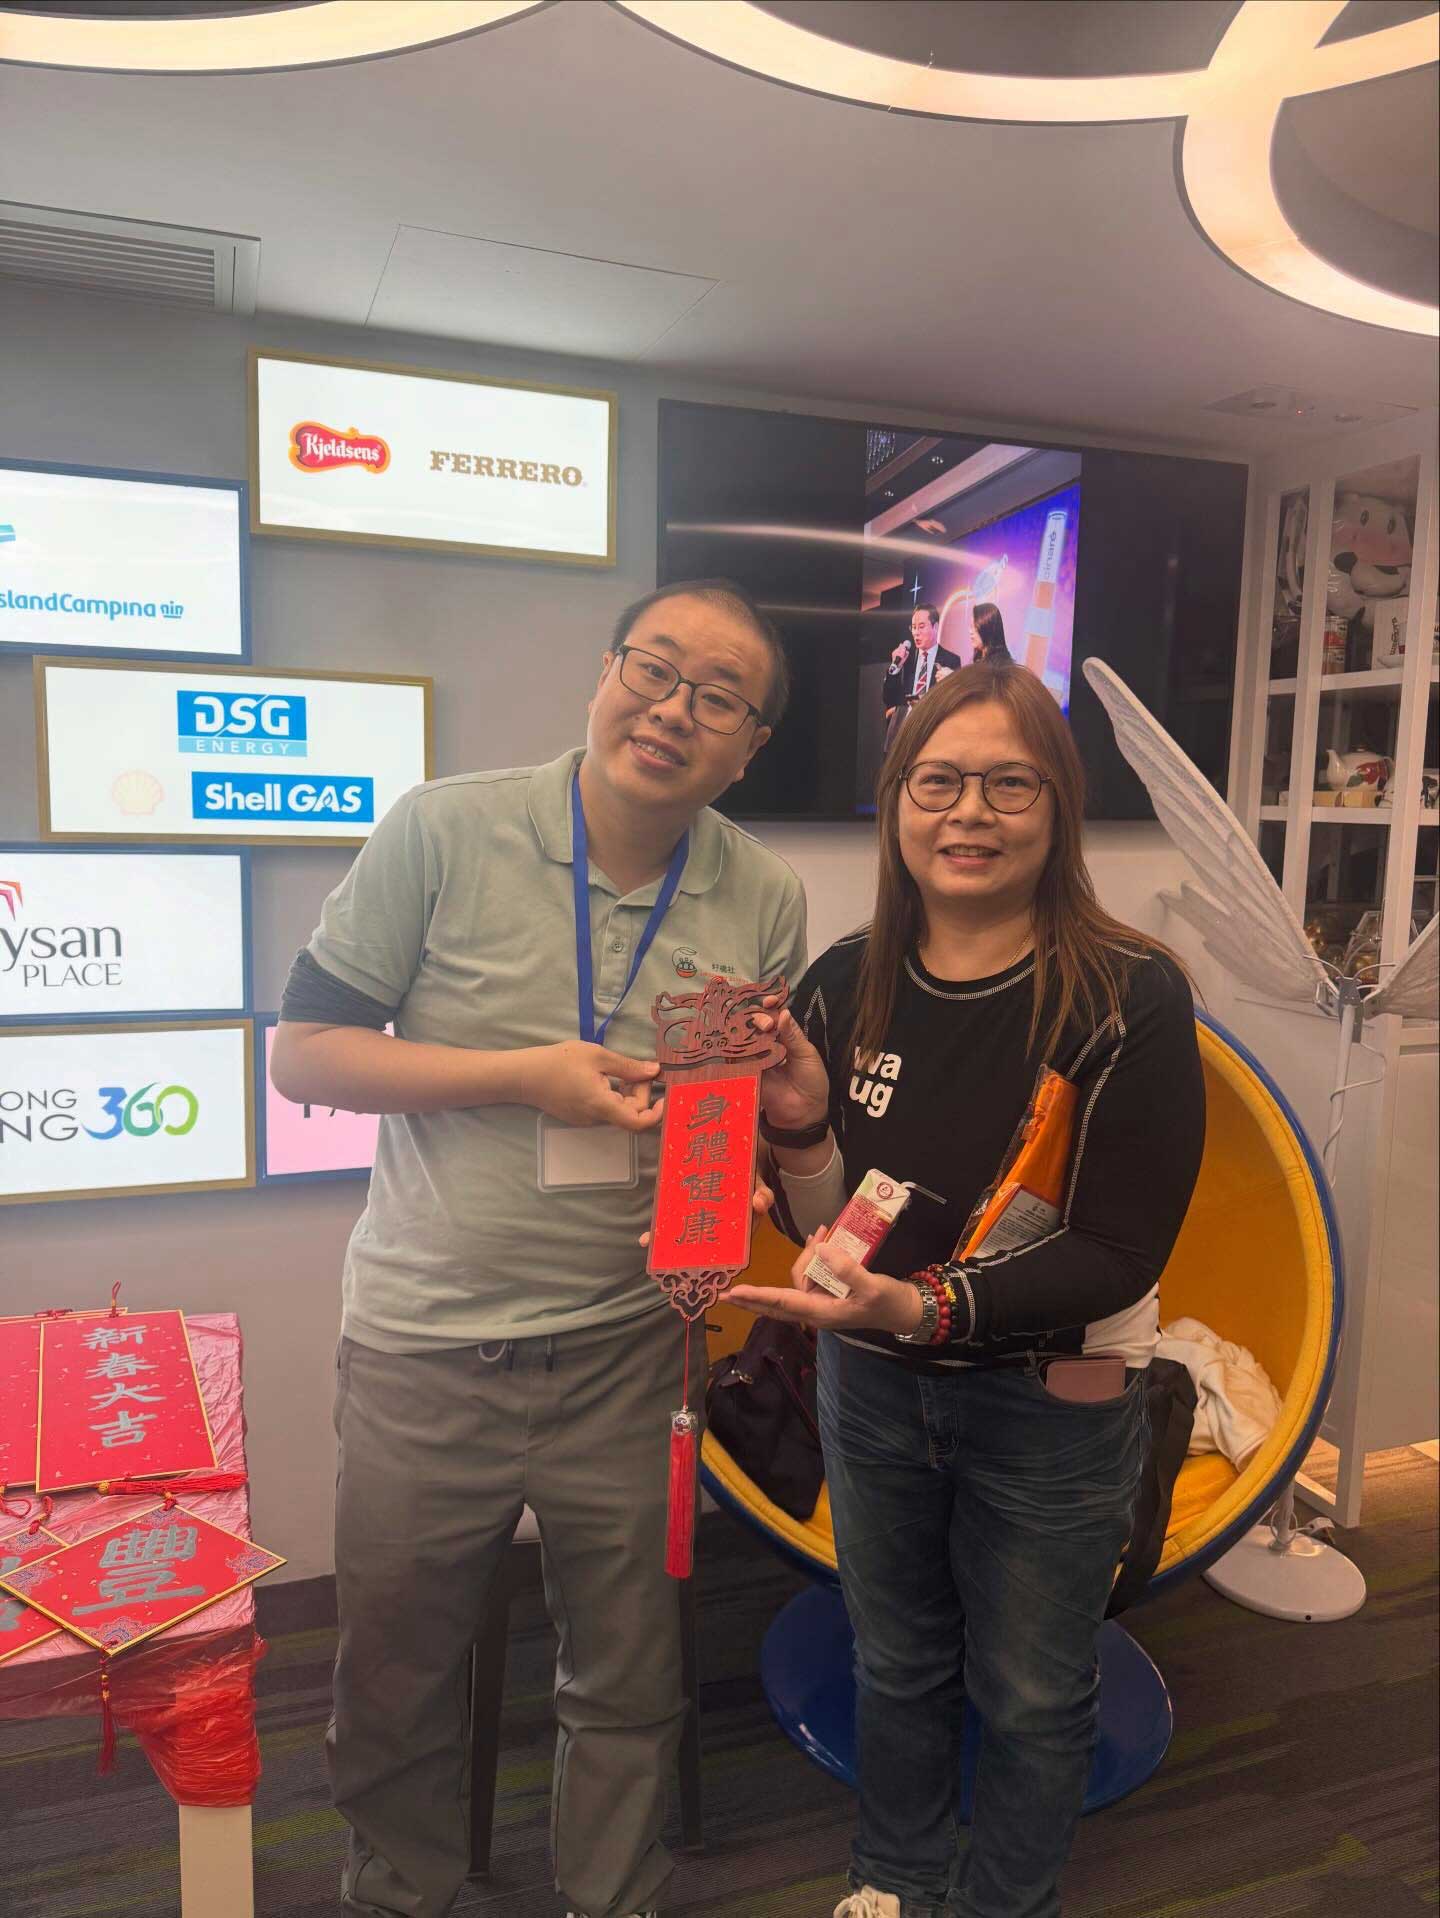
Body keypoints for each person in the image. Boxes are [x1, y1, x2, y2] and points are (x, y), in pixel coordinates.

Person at [271, 578, 807, 1918]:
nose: (671, 710)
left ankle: (611, 1897)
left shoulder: (764, 893)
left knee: (630, 1675)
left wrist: (740, 1154)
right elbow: (305, 1054)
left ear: (750, 746)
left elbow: (729, 1111)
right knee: (393, 1676)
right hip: (425, 1344)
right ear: (607, 673)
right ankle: (397, 1893)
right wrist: (526, 1075)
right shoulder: (442, 828)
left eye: (718, 698)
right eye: (654, 669)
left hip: (633, 1351)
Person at [731, 661, 1205, 1918]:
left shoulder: (1129, 993)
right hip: (874, 1390)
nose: (970, 812)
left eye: (1010, 783)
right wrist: (801, 1131)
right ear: (898, 801)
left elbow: (1120, 1250)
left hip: (1056, 1398)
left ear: (1059, 807)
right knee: (895, 1657)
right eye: (938, 781)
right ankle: (892, 1875)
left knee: (1035, 1690)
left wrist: (921, 1308)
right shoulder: (844, 980)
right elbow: (833, 1236)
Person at [882, 603, 963, 747]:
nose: (916, 633)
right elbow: (888, 699)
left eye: (921, 626)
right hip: (905, 735)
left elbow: (954, 705)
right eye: (913, 627)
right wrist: (895, 668)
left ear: (935, 627)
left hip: (933, 737)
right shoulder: (905, 660)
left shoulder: (951, 660)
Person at [970, 600, 1012, 665]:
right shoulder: (978, 660)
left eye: (975, 627)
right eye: (971, 626)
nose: (971, 632)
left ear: (987, 628)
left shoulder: (1000, 666)